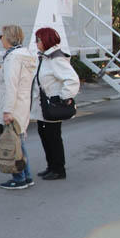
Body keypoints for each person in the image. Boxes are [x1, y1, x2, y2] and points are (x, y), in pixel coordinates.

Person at [0, 25, 38, 190]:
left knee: (14, 143)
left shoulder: (13, 58)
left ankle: (19, 178)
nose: (1, 39)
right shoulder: (25, 55)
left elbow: (11, 86)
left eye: (1, 36)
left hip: (14, 105)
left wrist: (7, 110)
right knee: (19, 141)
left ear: (8, 38)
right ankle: (26, 176)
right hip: (23, 104)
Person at [32, 26, 80, 180]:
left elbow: (72, 79)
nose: (36, 43)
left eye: (38, 40)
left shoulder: (56, 58)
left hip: (52, 104)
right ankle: (51, 166)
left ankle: (58, 169)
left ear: (45, 40)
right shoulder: (46, 56)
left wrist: (64, 97)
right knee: (45, 134)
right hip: (44, 104)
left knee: (53, 136)